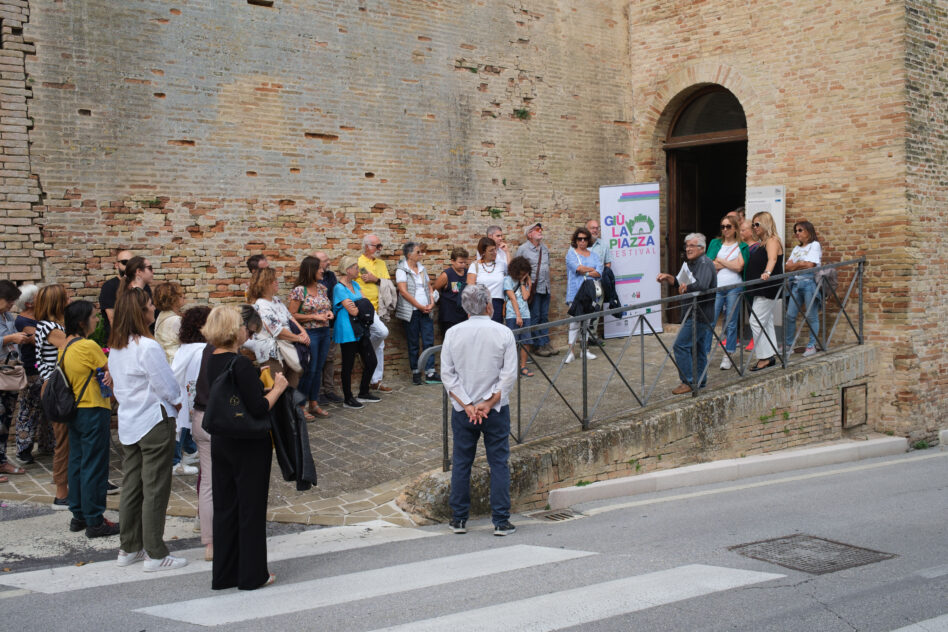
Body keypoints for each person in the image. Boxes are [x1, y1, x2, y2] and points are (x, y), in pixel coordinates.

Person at [202, 305, 287, 590]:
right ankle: (252, 575)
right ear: (233, 330)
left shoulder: (210, 358)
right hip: (248, 442)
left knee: (226, 506)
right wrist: (278, 388)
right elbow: (259, 408)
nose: (245, 330)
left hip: (222, 439)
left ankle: (225, 574)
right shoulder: (239, 363)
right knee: (250, 508)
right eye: (242, 326)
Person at [108, 287, 186, 571]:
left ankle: (129, 547)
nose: (153, 308)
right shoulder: (147, 346)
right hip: (154, 420)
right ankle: (155, 553)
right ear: (140, 312)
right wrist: (178, 402)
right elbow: (166, 385)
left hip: (130, 420)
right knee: (155, 488)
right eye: (150, 305)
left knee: (132, 486)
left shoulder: (117, 347)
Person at [440, 284, 518, 536]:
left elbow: (447, 376)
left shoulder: (452, 333)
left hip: (464, 410)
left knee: (462, 462)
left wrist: (468, 404)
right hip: (495, 409)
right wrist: (489, 402)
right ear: (488, 305)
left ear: (465, 307)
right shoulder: (503, 333)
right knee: (498, 462)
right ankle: (501, 520)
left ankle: (459, 519)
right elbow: (509, 375)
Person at [59, 300, 117, 538]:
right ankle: (95, 519)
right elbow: (110, 369)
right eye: (93, 317)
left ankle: (79, 515)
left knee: (77, 461)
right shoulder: (88, 346)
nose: (97, 320)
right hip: (93, 408)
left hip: (75, 410)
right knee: (95, 464)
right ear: (82, 322)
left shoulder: (65, 346)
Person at [170, 305, 213, 561]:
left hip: (188, 415)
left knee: (205, 473)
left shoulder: (185, 349)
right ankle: (205, 520)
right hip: (201, 414)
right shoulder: (201, 352)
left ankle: (202, 515)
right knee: (209, 475)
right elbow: (200, 386)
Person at [656, 233, 717, 394]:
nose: (688, 249)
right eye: (687, 245)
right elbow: (680, 282)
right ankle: (700, 380)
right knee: (698, 348)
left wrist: (686, 288)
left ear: (701, 248)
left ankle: (688, 381)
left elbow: (702, 285)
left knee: (680, 345)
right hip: (694, 312)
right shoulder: (691, 263)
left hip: (699, 314)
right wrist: (668, 278)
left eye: (692, 246)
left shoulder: (704, 263)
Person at [153, 282, 197, 475]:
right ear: (173, 299)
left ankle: (190, 449)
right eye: (180, 295)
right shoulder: (174, 321)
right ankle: (175, 461)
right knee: (181, 414)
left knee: (183, 412)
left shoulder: (163, 317)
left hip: (171, 367)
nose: (183, 297)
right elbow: (187, 342)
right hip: (177, 369)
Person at [34, 283, 70, 507]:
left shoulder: (47, 325)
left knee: (66, 439)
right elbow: (71, 348)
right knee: (64, 441)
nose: (69, 300)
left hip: (55, 386)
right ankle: (61, 493)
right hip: (56, 387)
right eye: (66, 297)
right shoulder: (51, 328)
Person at [246, 267, 308, 389]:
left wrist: (303, 331)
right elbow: (277, 331)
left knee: (292, 387)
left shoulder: (276, 300)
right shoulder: (261, 305)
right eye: (273, 280)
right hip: (272, 355)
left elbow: (290, 317)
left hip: (288, 349)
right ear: (264, 284)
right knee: (276, 389)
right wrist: (300, 339)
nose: (276, 282)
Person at [13, 284, 53, 466]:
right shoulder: (22, 321)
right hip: (32, 370)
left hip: (46, 369)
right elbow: (44, 339)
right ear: (29, 303)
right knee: (29, 409)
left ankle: (48, 444)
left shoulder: (41, 318)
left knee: (47, 408)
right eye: (38, 296)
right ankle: (24, 449)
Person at [288, 256, 333, 418]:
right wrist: (314, 316)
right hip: (309, 334)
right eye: (319, 268)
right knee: (310, 370)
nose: (322, 270)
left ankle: (314, 403)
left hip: (324, 332)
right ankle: (300, 406)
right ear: (310, 270)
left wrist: (329, 313)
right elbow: (291, 315)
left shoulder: (322, 288)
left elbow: (325, 307)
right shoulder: (300, 290)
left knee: (319, 369)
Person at [332, 257, 379, 409]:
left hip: (360, 328)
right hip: (347, 330)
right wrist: (361, 307)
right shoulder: (339, 288)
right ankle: (348, 398)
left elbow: (366, 305)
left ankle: (364, 392)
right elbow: (353, 310)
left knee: (371, 361)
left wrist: (359, 306)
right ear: (348, 270)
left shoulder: (355, 284)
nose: (358, 270)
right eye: (356, 267)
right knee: (348, 365)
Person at [706, 215, 748, 369]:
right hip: (717, 286)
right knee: (710, 320)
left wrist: (721, 261)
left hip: (734, 286)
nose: (725, 229)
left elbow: (739, 267)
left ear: (735, 228)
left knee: (731, 322)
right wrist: (730, 264)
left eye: (728, 226)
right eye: (723, 226)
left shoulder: (742, 245)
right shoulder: (715, 243)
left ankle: (728, 355)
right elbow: (709, 264)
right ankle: (704, 354)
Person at [395, 242, 440, 386]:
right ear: (409, 255)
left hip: (426, 309)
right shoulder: (401, 270)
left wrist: (431, 303)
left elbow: (429, 287)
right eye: (418, 252)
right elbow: (403, 292)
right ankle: (415, 372)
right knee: (413, 342)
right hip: (412, 311)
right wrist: (419, 306)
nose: (421, 254)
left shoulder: (422, 269)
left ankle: (430, 372)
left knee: (428, 341)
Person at [746, 212, 784, 371]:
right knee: (765, 320)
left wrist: (767, 272)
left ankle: (764, 357)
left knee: (755, 321)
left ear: (766, 224)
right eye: (753, 225)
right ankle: (770, 354)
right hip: (761, 287)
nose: (754, 228)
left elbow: (772, 259)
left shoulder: (772, 240)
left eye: (757, 224)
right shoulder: (762, 242)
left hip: (767, 286)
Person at [0, 281, 30, 484]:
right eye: (9, 300)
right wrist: (9, 338)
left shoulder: (7, 316)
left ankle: (2, 461)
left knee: (5, 420)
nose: (11, 304)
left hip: (9, 373)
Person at [357, 234, 391, 393]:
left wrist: (375, 278)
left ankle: (376, 380)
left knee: (381, 344)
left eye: (380, 245)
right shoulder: (359, 262)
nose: (379, 249)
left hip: (380, 306)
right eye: (376, 246)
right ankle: (364, 350)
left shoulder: (381, 263)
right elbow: (358, 282)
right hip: (365, 308)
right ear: (367, 246)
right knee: (382, 333)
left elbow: (387, 283)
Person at [564, 226, 603, 364]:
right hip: (575, 292)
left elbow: (599, 272)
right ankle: (570, 352)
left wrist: (585, 271)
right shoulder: (571, 254)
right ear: (575, 240)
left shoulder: (594, 255)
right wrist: (591, 269)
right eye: (580, 239)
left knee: (586, 323)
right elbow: (577, 268)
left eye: (585, 239)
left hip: (590, 293)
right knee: (574, 323)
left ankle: (584, 350)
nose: (582, 241)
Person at [515, 222, 555, 356]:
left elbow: (547, 266)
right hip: (533, 289)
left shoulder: (544, 248)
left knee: (544, 316)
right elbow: (517, 269)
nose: (540, 231)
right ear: (529, 234)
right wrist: (525, 282)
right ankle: (538, 346)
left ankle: (545, 342)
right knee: (535, 316)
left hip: (545, 287)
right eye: (537, 229)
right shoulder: (523, 249)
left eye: (540, 229)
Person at [784, 220, 823, 357]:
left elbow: (810, 265)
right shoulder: (796, 248)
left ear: (808, 231)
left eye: (800, 230)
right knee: (790, 315)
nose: (797, 233)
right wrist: (801, 264)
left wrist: (795, 265)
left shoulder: (814, 245)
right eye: (795, 231)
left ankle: (812, 345)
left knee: (811, 315)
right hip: (795, 283)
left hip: (809, 283)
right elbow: (786, 267)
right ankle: (788, 345)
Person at [315, 251, 343, 404]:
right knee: (318, 358)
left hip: (330, 322)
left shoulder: (331, 276)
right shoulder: (308, 278)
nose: (329, 263)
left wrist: (331, 312)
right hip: (314, 326)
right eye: (325, 260)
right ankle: (318, 392)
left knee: (330, 358)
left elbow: (333, 296)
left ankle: (329, 390)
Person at [504, 256, 534, 377]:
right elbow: (512, 298)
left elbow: (525, 296)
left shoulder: (525, 281)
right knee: (513, 342)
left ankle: (523, 366)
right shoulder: (508, 280)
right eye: (522, 272)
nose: (524, 274)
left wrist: (524, 283)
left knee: (526, 341)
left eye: (526, 272)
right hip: (512, 315)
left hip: (526, 314)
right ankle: (513, 368)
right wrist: (518, 315)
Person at [466, 236, 507, 324]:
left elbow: (512, 273)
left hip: (497, 303)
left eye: (495, 249)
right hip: (480, 304)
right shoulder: (475, 266)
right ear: (483, 252)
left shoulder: (501, 264)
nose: (495, 252)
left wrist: (507, 252)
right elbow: (470, 289)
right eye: (491, 250)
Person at [433, 247, 469, 334]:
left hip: (464, 314)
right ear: (452, 261)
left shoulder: (468, 273)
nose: (463, 265)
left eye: (465, 262)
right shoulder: (447, 275)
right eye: (460, 262)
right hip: (449, 316)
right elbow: (434, 288)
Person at [98, 248, 133, 340]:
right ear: (117, 265)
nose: (129, 266)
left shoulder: (142, 285)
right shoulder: (109, 286)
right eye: (125, 262)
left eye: (132, 262)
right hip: (119, 340)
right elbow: (112, 318)